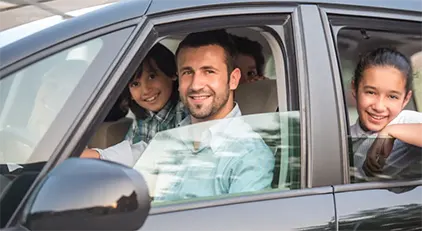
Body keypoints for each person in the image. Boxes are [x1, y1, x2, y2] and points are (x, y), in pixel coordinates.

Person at [133, 29, 275, 202]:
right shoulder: (166, 139)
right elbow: (130, 203)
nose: (196, 84)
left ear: (233, 79)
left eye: (209, 71)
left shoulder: (250, 155)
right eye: (187, 72)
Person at [81, 43, 186, 166]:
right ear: (129, 93)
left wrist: (100, 156)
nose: (146, 90)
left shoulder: (184, 111)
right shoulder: (142, 119)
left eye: (152, 76)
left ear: (172, 74)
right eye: (135, 84)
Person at [350, 47, 422, 180]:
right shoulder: (345, 137)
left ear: (406, 99)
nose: (379, 106)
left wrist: (391, 130)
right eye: (371, 92)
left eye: (392, 97)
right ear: (354, 89)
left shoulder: (408, 122)